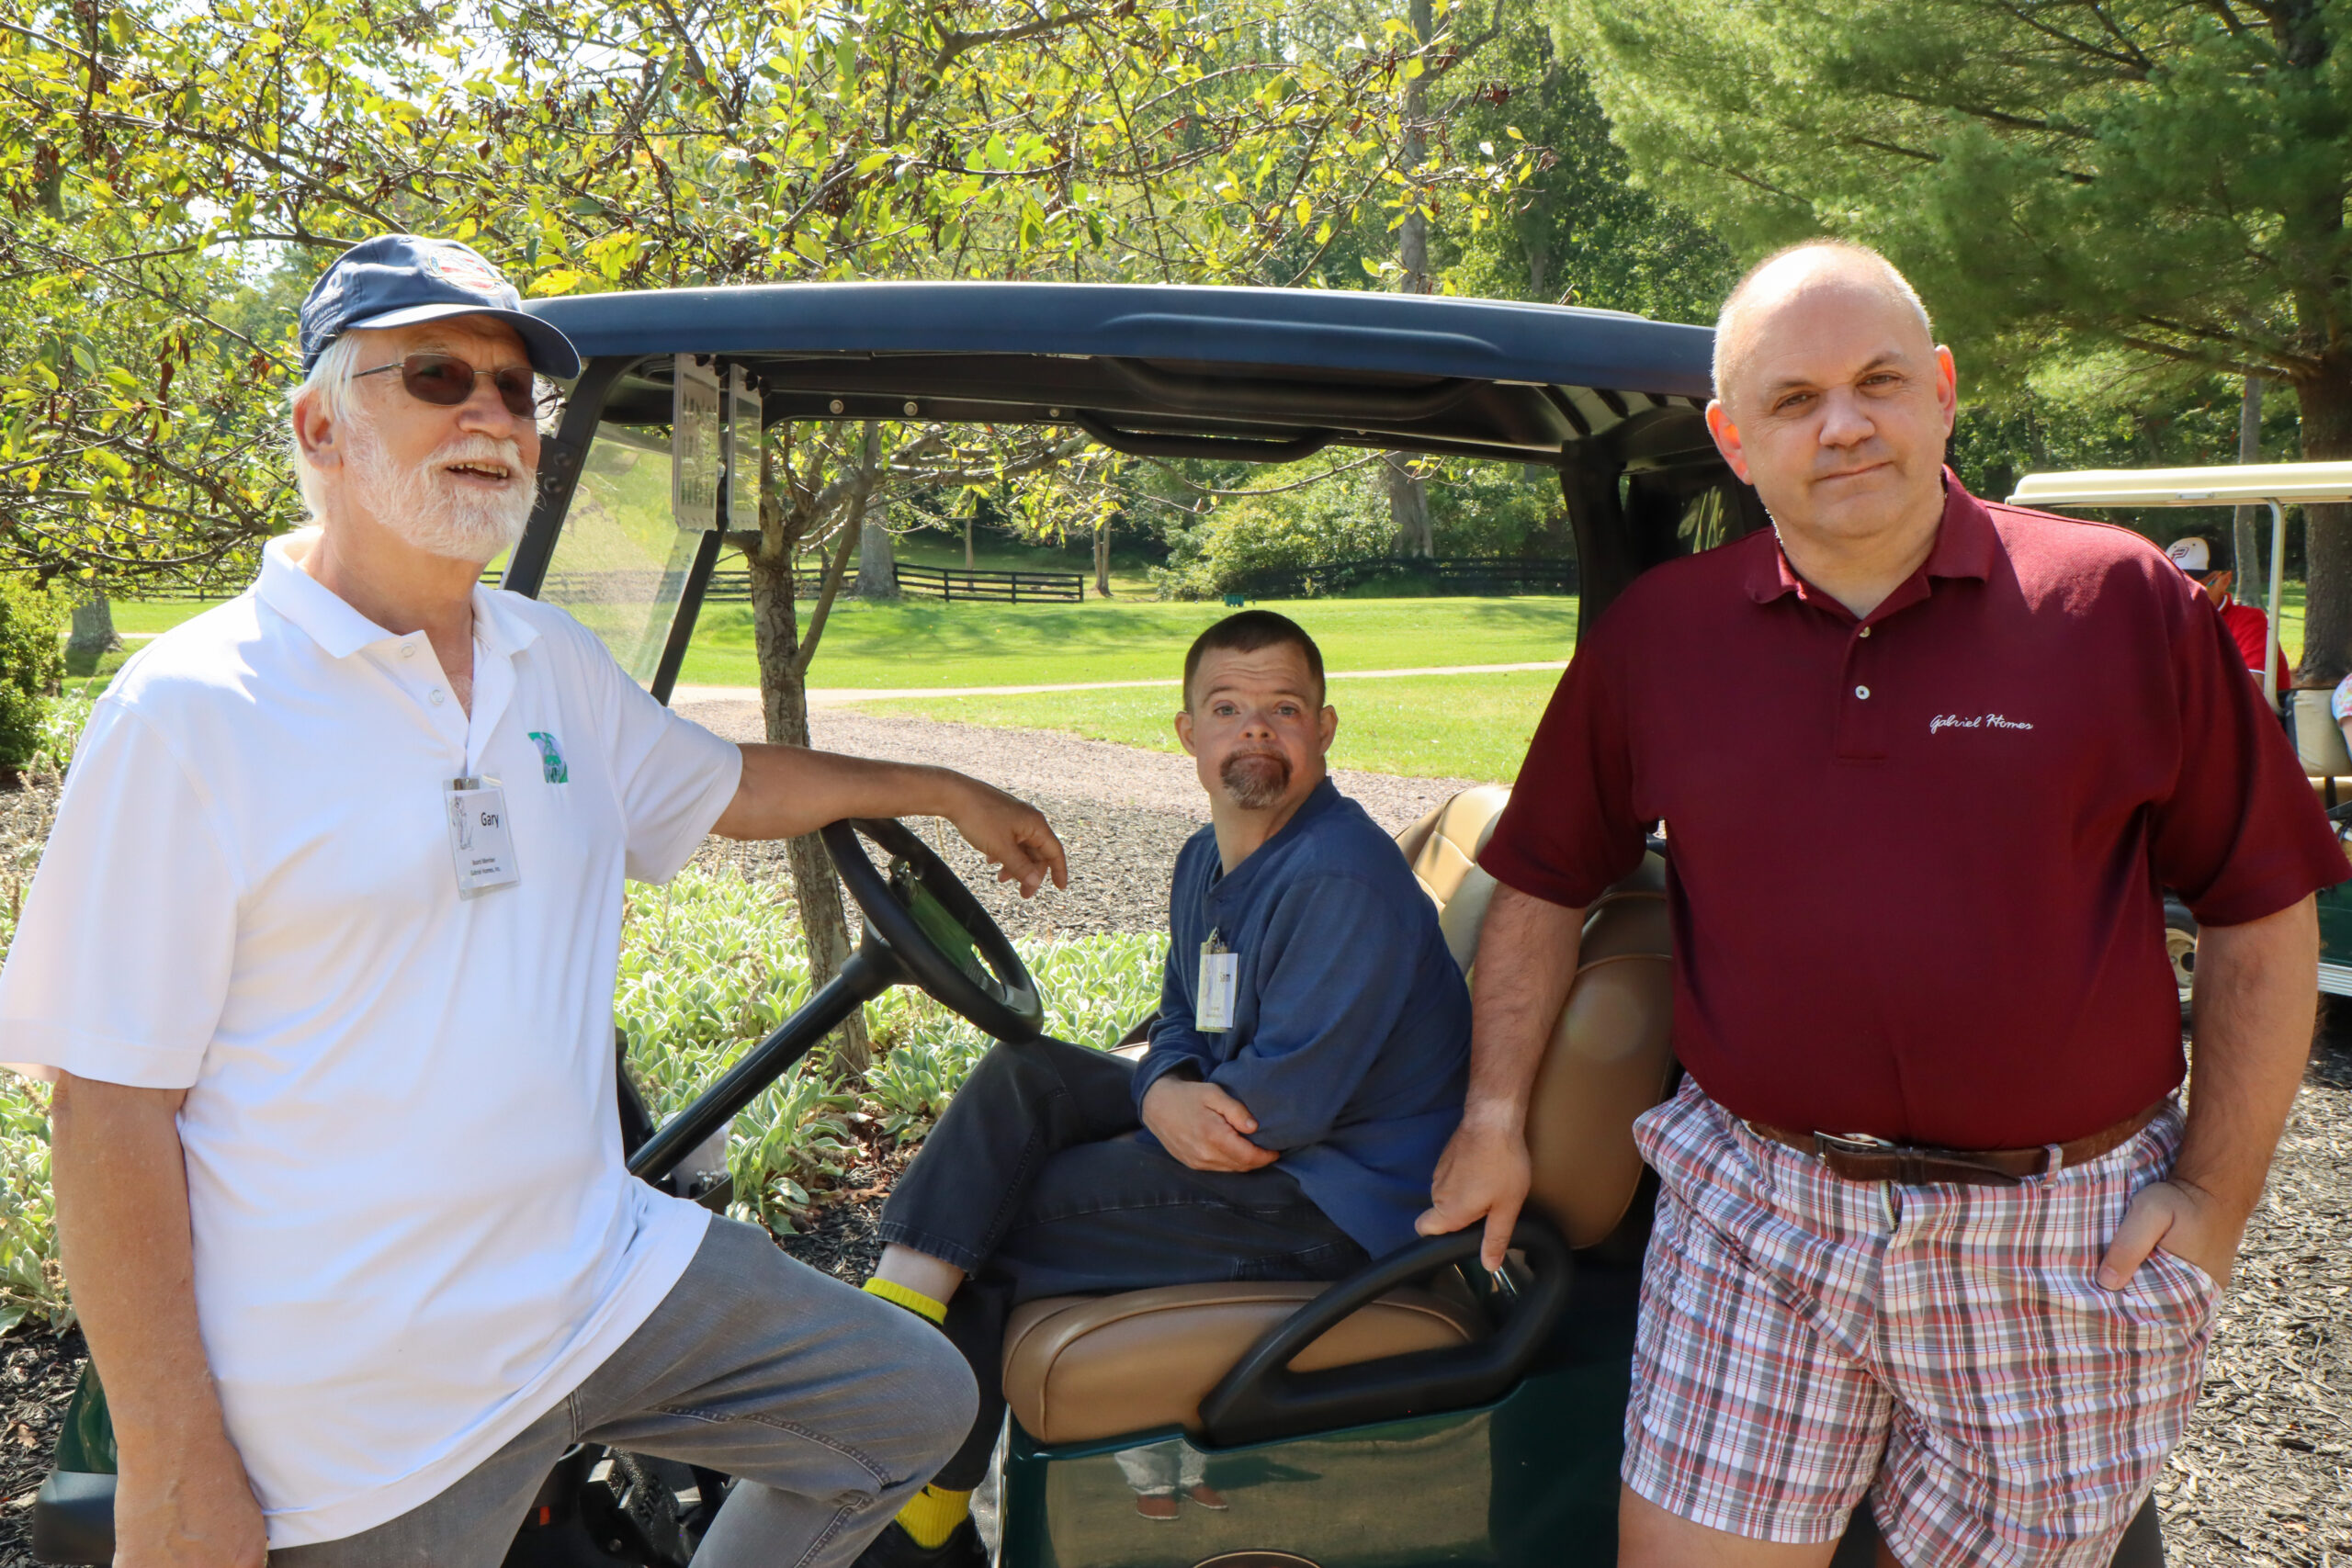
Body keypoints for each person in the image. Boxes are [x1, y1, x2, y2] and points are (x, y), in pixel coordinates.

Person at [0, 233, 1073, 1568]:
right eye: (438, 375)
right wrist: (172, 1462)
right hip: (369, 1407)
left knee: (908, 1399)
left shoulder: (541, 658)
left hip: (597, 1278)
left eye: (516, 391)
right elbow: (106, 1102)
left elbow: (724, 780)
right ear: (320, 422)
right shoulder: (193, 712)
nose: (490, 416)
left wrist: (934, 782)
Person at [1416, 240, 2345, 1568]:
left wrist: (2217, 1195)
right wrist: (1495, 1116)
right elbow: (1545, 881)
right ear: (1736, 438)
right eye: (1793, 400)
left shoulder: (2117, 601)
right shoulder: (1660, 637)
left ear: (1945, 392)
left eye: (1879, 381)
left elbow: (2262, 903)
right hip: (1759, 1204)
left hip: (2060, 1230)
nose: (1843, 423)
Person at [848, 610, 1471, 1567]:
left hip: (1332, 1203)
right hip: (1241, 1133)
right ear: (1187, 732)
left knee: (990, 1216)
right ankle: (893, 1355)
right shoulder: (1205, 861)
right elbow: (1180, 1018)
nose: (1254, 730)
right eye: (1227, 708)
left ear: (1324, 728)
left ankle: (909, 1509)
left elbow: (1278, 1117)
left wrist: (1163, 1096)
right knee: (1029, 1079)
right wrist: (1163, 1086)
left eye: (1283, 709)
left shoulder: (1338, 878)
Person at [2165, 530, 2291, 696]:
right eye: (2172, 583)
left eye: (2194, 584)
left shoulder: (2249, 621)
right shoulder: (2161, 622)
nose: (2182, 592)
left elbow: (2252, 691)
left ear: (2225, 579)